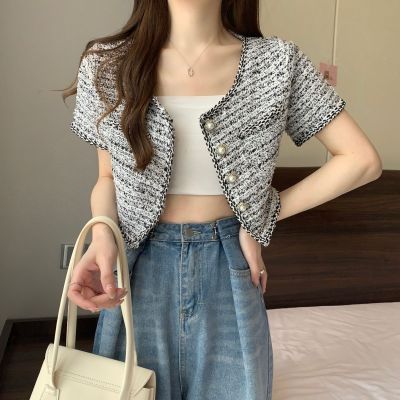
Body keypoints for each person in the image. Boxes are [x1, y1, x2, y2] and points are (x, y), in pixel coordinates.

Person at [64, 1, 382, 399]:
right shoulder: (106, 63)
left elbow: (362, 160)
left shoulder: (277, 63)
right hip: (137, 270)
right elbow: (107, 178)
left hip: (228, 267)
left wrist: (262, 216)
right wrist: (102, 236)